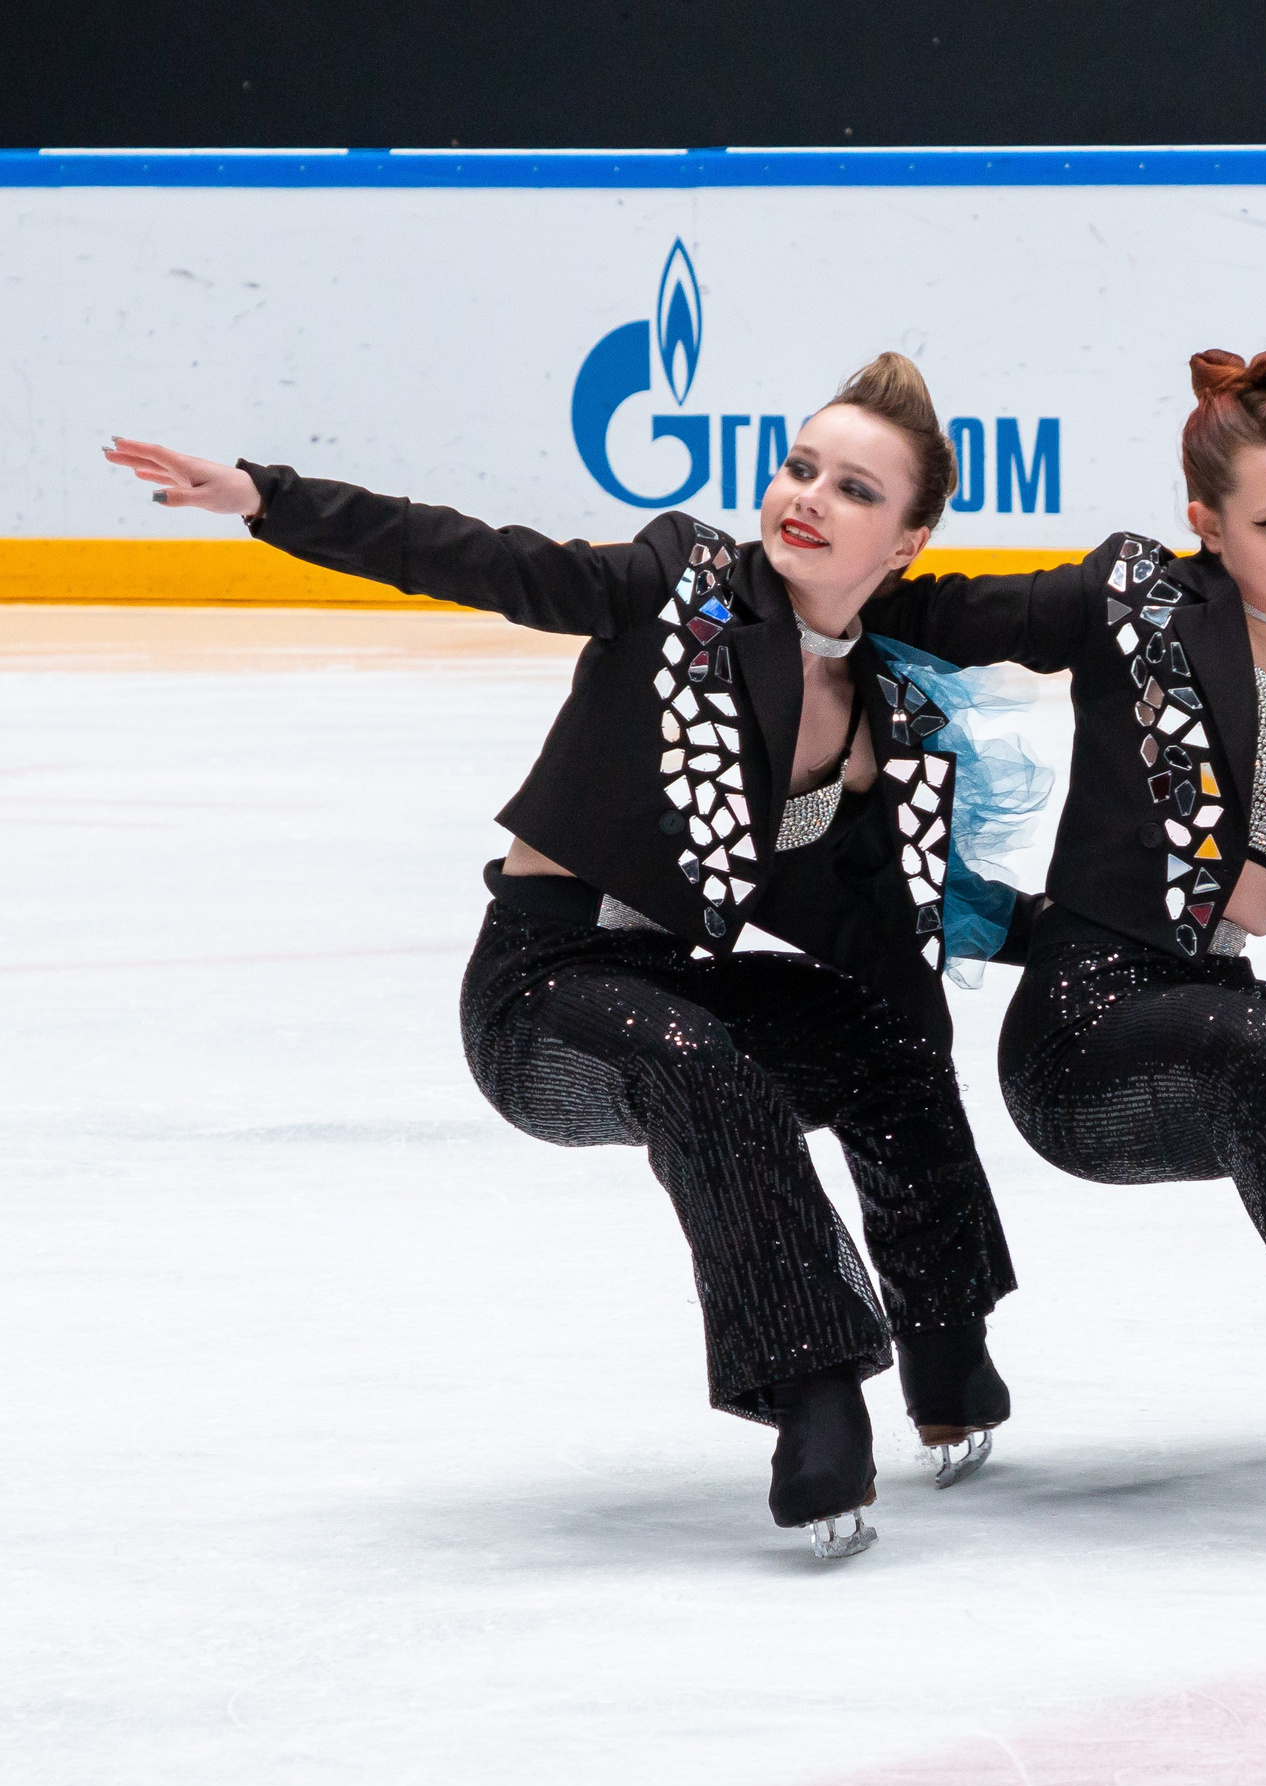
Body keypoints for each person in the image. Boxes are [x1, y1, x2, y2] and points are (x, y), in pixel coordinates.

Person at [101, 356, 1041, 1561]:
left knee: (886, 1031)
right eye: (800, 465)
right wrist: (270, 498)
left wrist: (1095, 941)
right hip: (538, 998)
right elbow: (484, 557)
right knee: (699, 1057)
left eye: (854, 488)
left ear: (907, 540)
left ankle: (947, 1344)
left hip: (671, 992)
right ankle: (814, 1396)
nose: (807, 495)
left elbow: (882, 945)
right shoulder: (683, 586)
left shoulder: (880, 724)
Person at [858, 351, 1266, 1552]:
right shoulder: (1140, 603)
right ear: (1207, 529)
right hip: (1082, 1032)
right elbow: (946, 613)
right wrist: (823, 571)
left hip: (1212, 1011)